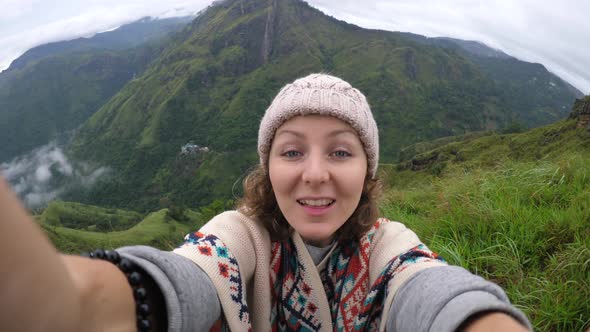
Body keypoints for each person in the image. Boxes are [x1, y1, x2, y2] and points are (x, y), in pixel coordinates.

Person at [0, 73, 532, 332]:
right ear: (268, 165)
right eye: (292, 150)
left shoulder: (388, 248)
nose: (315, 173)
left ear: (366, 170)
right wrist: (75, 301)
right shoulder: (243, 237)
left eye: (341, 151)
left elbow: (430, 288)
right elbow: (192, 272)